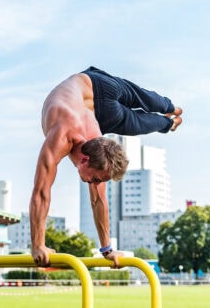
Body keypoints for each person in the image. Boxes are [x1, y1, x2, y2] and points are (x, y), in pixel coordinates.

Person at [30, 66, 183, 267]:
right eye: (96, 179)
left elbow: (99, 200)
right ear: (84, 159)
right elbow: (42, 191)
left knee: (141, 109)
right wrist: (38, 244)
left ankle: (169, 112)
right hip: (96, 91)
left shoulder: (96, 143)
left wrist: (107, 249)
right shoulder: (62, 135)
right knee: (138, 113)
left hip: (96, 94)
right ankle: (169, 117)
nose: (95, 184)